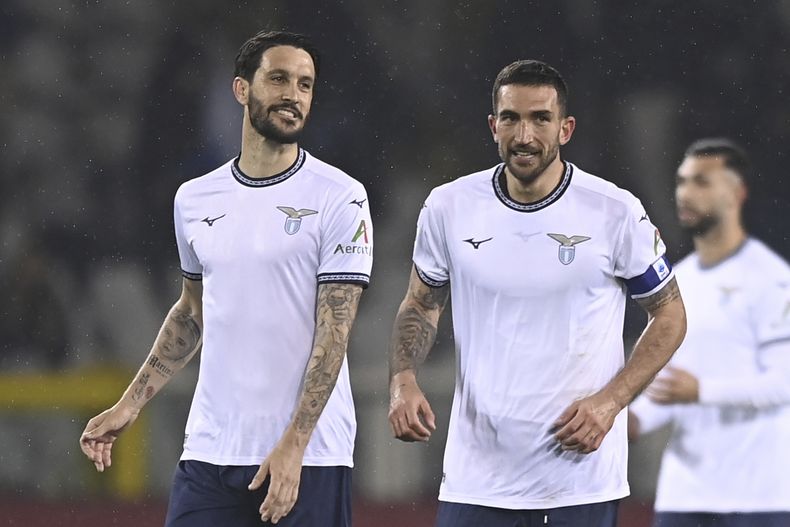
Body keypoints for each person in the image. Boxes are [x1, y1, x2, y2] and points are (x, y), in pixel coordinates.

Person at [79, 30, 373, 527]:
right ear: (242, 90)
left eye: (305, 85)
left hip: (309, 456)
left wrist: (293, 445)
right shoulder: (194, 199)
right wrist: (129, 405)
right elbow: (192, 311)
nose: (293, 95)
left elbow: (335, 330)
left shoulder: (339, 196)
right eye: (278, 79)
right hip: (212, 451)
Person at [387, 59, 687, 527]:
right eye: (511, 118)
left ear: (565, 128)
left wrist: (611, 402)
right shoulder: (449, 207)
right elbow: (422, 302)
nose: (524, 135)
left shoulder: (614, 211)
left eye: (540, 119)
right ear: (493, 126)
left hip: (579, 481)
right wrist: (402, 378)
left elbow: (669, 315)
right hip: (476, 480)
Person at [629, 139, 790, 527]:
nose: (685, 192)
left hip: (757, 497)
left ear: (737, 193)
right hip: (684, 492)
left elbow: (782, 384)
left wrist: (701, 391)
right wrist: (628, 421)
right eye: (682, 181)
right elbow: (670, 385)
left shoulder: (771, 280)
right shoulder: (677, 281)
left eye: (701, 182)